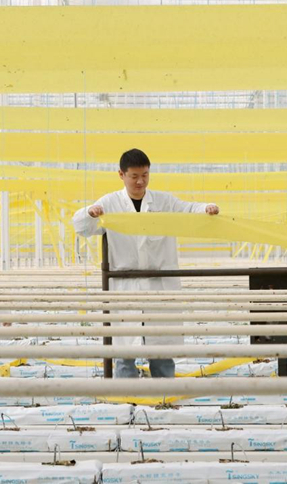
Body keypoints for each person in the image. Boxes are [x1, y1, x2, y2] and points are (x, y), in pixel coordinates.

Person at [73, 148, 219, 378]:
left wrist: (206, 208)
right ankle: (126, 402)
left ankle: (164, 400)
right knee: (124, 352)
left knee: (161, 352)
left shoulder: (163, 201)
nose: (140, 181)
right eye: (134, 176)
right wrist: (90, 213)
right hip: (125, 285)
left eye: (145, 175)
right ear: (121, 175)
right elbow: (82, 227)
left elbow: (189, 209)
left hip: (159, 284)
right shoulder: (110, 202)